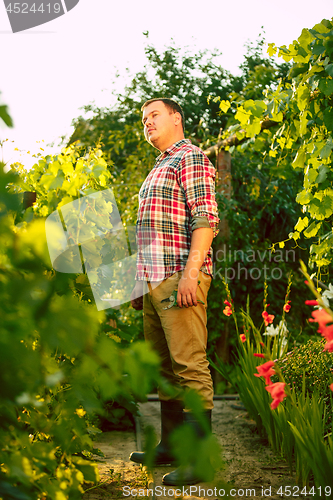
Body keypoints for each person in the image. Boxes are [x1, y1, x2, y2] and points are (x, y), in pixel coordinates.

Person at [129, 98, 220, 485]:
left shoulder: (190, 158)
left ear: (176, 118)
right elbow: (149, 230)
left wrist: (190, 274)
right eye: (143, 119)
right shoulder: (158, 166)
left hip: (179, 277)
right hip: (152, 280)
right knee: (165, 369)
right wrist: (138, 280)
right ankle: (169, 445)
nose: (147, 123)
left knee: (189, 366)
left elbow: (206, 219)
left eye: (154, 115)